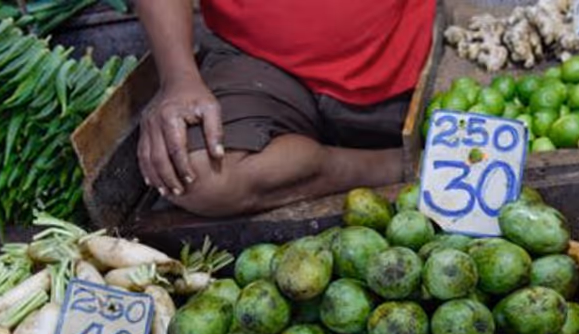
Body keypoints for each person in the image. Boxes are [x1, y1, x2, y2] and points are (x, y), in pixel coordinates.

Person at [134, 0, 433, 217]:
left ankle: (413, 160)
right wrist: (178, 79)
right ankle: (393, 164)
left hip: (399, 53)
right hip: (259, 59)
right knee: (195, 174)